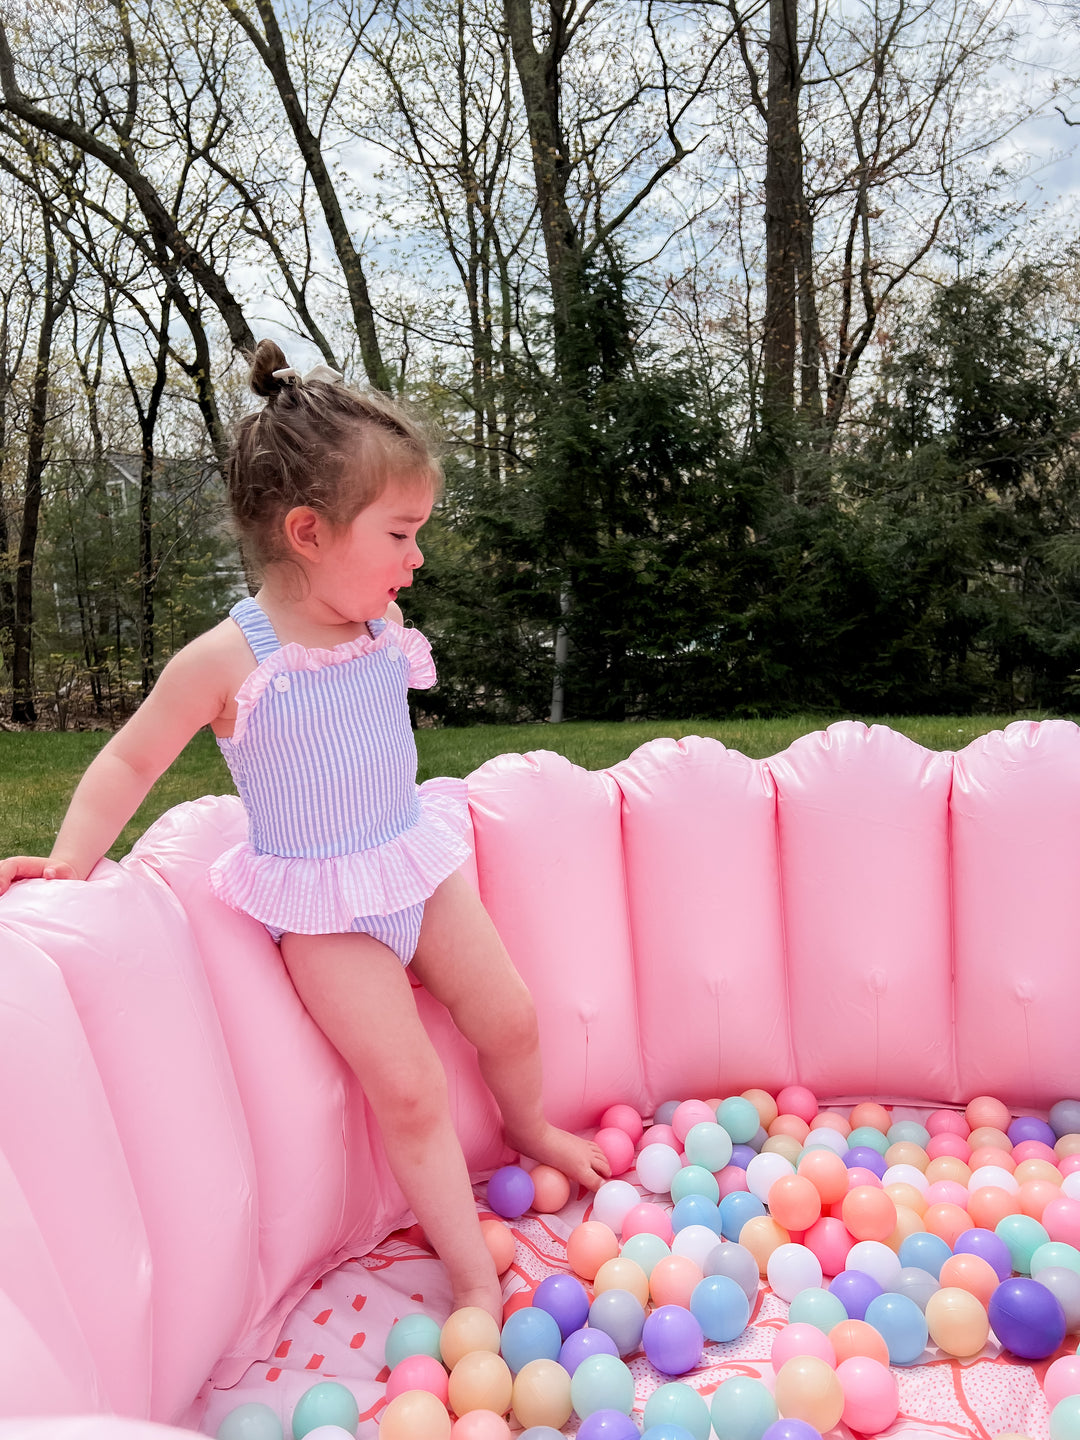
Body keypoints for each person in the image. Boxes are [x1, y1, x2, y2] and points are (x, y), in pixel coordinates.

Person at [0, 340, 608, 1324]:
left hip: (413, 866)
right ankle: (469, 1275)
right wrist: (72, 861)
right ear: (308, 532)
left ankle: (529, 1121)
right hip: (323, 912)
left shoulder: (374, 624)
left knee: (513, 1016)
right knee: (406, 1091)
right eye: (402, 535)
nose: (418, 559)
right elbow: (130, 759)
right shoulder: (234, 656)